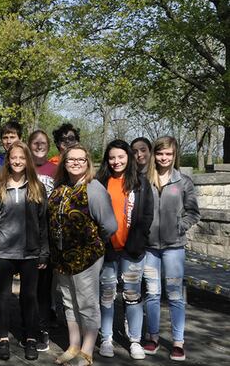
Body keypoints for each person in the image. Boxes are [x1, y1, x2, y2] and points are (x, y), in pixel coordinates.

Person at [48, 144, 117, 366]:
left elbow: (109, 225)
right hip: (62, 258)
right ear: (64, 163)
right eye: (71, 159)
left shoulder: (93, 188)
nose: (76, 163)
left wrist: (92, 244)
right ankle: (74, 345)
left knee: (87, 304)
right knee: (69, 302)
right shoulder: (60, 188)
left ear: (88, 162)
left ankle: (87, 351)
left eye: (81, 159)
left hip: (86, 258)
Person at [0, 141, 48, 361]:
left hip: (30, 252)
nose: (18, 161)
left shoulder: (37, 187)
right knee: (3, 297)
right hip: (3, 251)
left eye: (22, 157)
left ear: (28, 160)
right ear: (8, 160)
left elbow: (43, 223)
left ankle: (30, 338)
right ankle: (3, 338)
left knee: (29, 297)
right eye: (14, 158)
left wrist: (44, 252)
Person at [94, 140, 154, 360]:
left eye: (120, 157)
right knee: (107, 296)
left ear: (128, 157)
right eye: (111, 157)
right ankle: (106, 338)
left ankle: (135, 340)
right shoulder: (100, 181)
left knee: (132, 296)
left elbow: (147, 215)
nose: (116, 161)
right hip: (108, 250)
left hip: (132, 251)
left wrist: (137, 243)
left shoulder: (140, 182)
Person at [142, 136, 200, 362]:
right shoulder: (144, 180)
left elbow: (193, 212)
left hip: (174, 247)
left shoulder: (183, 182)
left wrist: (180, 226)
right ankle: (153, 336)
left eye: (168, 154)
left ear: (174, 155)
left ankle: (178, 341)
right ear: (154, 155)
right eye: (160, 153)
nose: (164, 158)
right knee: (153, 294)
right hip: (149, 248)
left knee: (175, 295)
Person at [27, 130, 57, 351]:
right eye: (35, 143)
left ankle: (43, 329)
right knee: (29, 288)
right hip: (26, 234)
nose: (39, 146)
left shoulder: (55, 170)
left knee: (43, 288)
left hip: (49, 234)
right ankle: (28, 329)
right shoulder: (23, 168)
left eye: (43, 143)